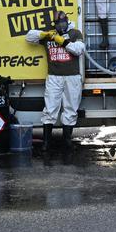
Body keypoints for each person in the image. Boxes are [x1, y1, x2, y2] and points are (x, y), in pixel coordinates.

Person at [26, 10, 85, 151]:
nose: (61, 24)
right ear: (55, 24)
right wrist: (44, 34)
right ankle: (46, 143)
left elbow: (79, 50)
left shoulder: (75, 33)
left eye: (63, 21)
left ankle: (67, 141)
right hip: (54, 76)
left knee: (70, 108)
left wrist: (63, 41)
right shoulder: (50, 35)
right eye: (58, 23)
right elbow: (29, 37)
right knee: (50, 108)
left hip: (72, 76)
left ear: (68, 21)